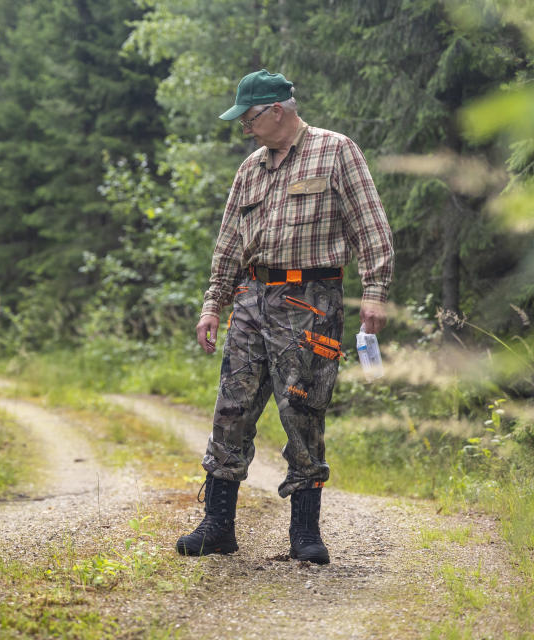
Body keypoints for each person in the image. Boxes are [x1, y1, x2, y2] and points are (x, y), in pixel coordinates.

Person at [175, 69, 394, 564]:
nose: (245, 130)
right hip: (252, 298)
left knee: (302, 409)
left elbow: (370, 223)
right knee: (231, 408)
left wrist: (375, 291)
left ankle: (304, 532)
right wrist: (214, 303)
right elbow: (229, 241)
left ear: (278, 110)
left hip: (312, 300)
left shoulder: (336, 150)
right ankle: (217, 525)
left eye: (249, 119)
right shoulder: (250, 168)